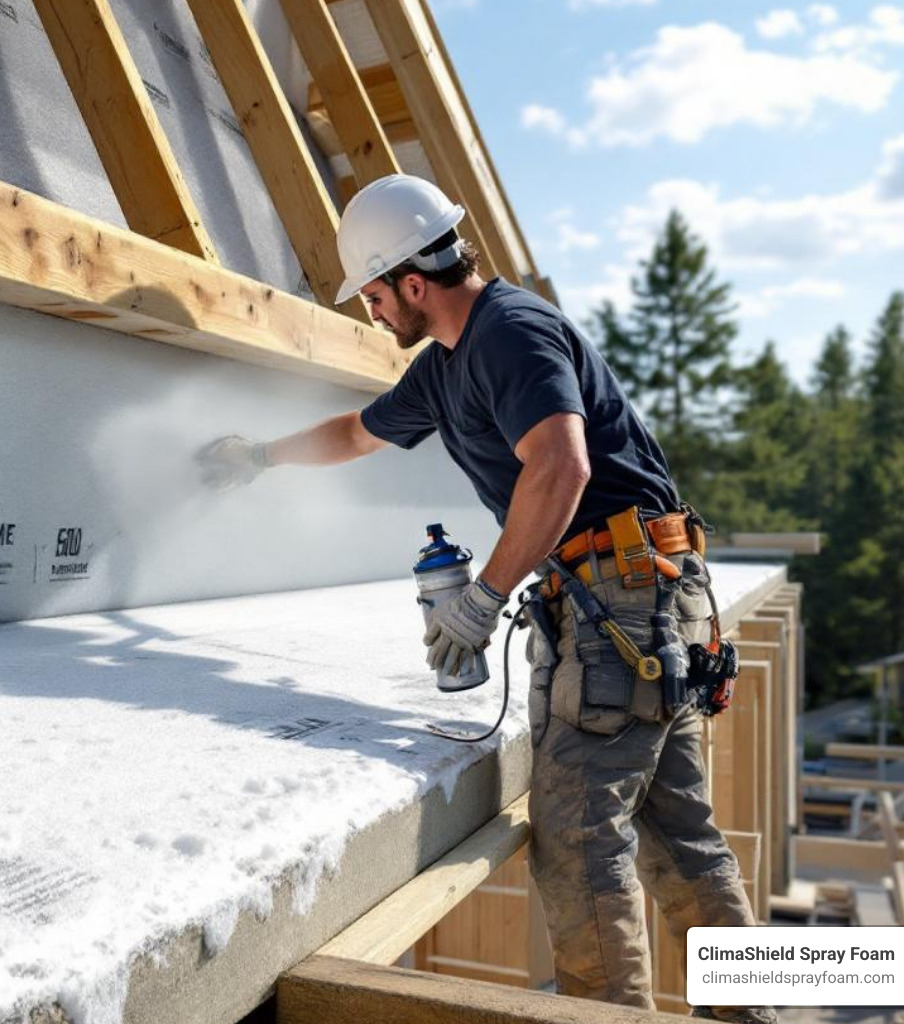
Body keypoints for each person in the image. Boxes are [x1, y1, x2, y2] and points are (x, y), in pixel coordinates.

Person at [197, 174, 774, 1023]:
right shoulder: (445, 370)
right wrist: (259, 458)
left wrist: (483, 599)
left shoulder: (512, 331)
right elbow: (358, 432)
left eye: (375, 296)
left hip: (625, 601)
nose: (373, 314)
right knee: (680, 839)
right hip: (642, 596)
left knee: (579, 846)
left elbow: (562, 467)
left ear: (413, 283)